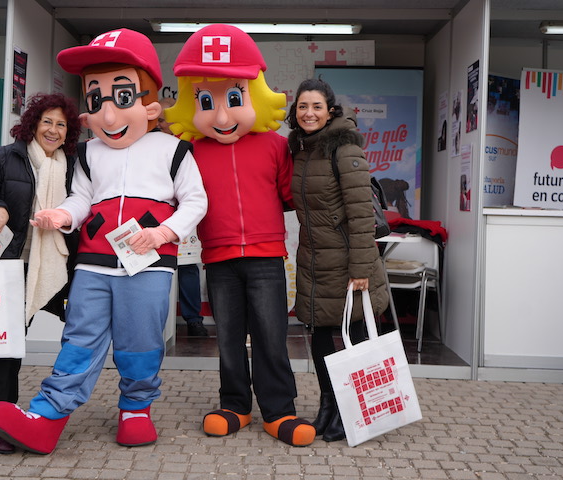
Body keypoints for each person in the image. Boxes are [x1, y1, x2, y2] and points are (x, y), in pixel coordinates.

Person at [0, 28, 207, 454]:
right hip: (92, 264)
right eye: (95, 99)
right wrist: (62, 216)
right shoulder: (88, 153)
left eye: (121, 98)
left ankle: (136, 408)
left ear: (148, 102)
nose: (107, 115)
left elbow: (196, 201)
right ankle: (47, 416)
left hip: (148, 263)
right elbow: (81, 197)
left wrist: (162, 233)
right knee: (79, 338)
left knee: (141, 339)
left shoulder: (173, 150)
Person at [166, 24, 315, 447]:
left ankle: (279, 408)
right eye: (208, 101)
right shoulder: (192, 151)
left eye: (234, 99)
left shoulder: (274, 145)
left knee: (271, 334)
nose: (223, 115)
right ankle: (235, 404)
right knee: (228, 335)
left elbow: (291, 195)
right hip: (218, 256)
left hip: (267, 255)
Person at [0, 92, 82, 454]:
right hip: (9, 266)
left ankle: (51, 410)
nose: (53, 130)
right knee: (4, 348)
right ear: (32, 123)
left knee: (80, 337)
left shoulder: (73, 164)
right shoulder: (2, 156)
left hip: (56, 264)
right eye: (47, 122)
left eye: (61, 125)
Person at [285, 78, 390, 442]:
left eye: (316, 106)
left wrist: (361, 268)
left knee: (353, 335)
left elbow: (362, 214)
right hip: (315, 260)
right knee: (320, 335)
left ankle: (356, 411)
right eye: (302, 106)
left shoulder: (344, 148)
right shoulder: (300, 149)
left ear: (330, 110)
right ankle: (329, 405)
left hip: (347, 262)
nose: (308, 113)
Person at [158, 96, 207, 337]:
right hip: (155, 218)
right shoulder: (146, 143)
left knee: (188, 269)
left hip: (186, 216)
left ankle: (193, 320)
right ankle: (158, 323)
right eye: (157, 120)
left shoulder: (190, 142)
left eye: (165, 119)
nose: (160, 124)